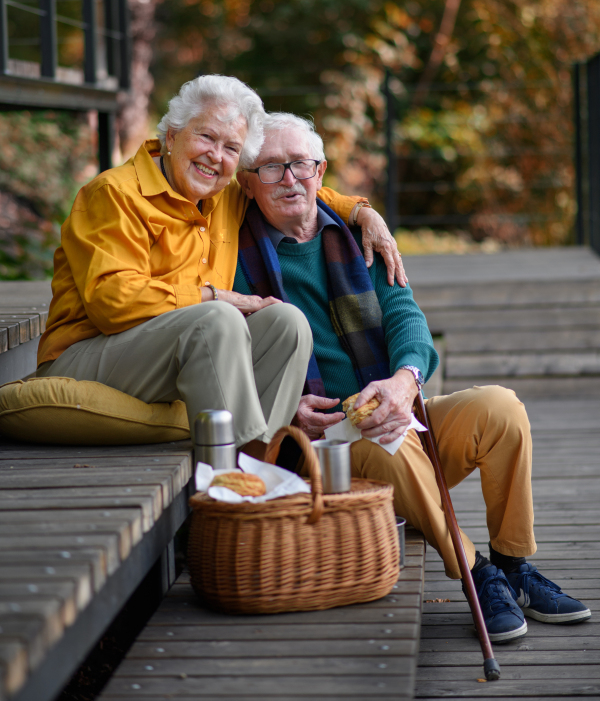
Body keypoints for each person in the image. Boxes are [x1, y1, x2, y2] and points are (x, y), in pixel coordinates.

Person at [233, 111, 591, 642]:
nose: (290, 178)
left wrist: (404, 382)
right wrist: (281, 408)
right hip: (319, 446)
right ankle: (475, 571)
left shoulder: (359, 237)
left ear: (321, 169)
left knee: (501, 408)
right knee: (388, 442)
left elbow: (406, 318)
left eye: (301, 165)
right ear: (247, 181)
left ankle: (513, 564)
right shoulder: (234, 257)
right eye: (271, 168)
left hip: (392, 411)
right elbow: (237, 359)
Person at [35, 75, 403, 459]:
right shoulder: (113, 194)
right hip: (89, 354)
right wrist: (218, 297)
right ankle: (230, 478)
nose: (216, 156)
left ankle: (261, 461)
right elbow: (112, 302)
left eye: (231, 147)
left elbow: (294, 187)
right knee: (217, 318)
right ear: (173, 136)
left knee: (287, 322)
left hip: (182, 351)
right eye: (207, 137)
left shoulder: (224, 193)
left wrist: (363, 212)